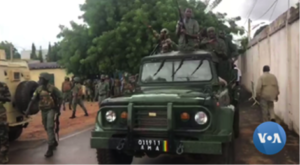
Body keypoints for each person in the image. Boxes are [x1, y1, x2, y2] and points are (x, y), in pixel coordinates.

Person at [25, 72, 62, 158]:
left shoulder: (52, 88)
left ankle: (50, 148)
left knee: (49, 127)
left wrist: (58, 109)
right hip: (43, 110)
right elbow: (33, 100)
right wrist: (27, 110)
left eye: (41, 79)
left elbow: (61, 97)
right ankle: (53, 141)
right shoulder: (38, 89)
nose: (39, 80)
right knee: (46, 127)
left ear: (45, 80)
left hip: (51, 110)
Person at [0, 82, 10, 164]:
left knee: (3, 134)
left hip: (1, 113)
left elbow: (8, 98)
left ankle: (3, 156)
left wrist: (1, 97)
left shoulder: (2, 85)